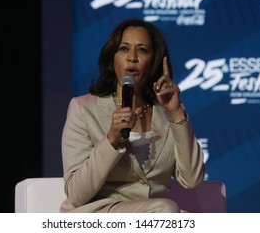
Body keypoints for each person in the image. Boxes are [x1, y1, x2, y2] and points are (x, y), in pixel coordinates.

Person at [60, 19, 205, 213]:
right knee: (166, 210)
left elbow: (192, 179)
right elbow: (76, 194)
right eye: (124, 49)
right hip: (98, 214)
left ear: (154, 60)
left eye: (142, 50)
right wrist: (111, 139)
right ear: (112, 57)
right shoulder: (84, 109)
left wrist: (176, 112)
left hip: (154, 217)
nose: (132, 57)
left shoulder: (169, 112)